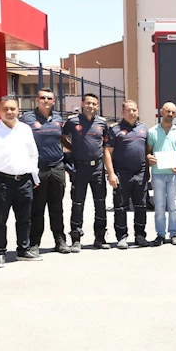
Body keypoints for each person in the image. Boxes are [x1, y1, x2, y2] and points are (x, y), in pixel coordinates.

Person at [0, 96, 41, 267]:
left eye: (13, 109)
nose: (9, 112)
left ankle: (23, 249)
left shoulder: (25, 129)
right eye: (5, 109)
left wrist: (34, 176)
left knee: (25, 218)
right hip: (1, 181)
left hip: (24, 180)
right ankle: (0, 253)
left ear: (18, 110)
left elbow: (33, 154)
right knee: (0, 219)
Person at [20, 87, 69, 255]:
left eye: (49, 98)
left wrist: (74, 150)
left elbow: (62, 138)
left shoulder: (58, 118)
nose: (46, 101)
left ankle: (60, 240)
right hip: (37, 169)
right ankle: (34, 244)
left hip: (57, 167)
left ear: (54, 101)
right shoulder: (26, 119)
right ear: (37, 100)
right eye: (42, 98)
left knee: (57, 207)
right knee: (37, 208)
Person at [61, 93, 110, 252]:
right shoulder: (73, 121)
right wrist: (72, 149)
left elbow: (107, 144)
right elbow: (62, 137)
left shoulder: (102, 123)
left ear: (97, 106)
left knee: (100, 203)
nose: (91, 106)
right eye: (88, 103)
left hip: (97, 168)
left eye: (94, 104)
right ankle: (76, 239)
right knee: (77, 204)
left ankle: (100, 237)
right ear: (82, 104)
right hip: (79, 168)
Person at [105, 100, 150, 249]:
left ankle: (140, 236)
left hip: (140, 173)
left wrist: (148, 168)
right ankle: (122, 237)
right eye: (129, 110)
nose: (132, 113)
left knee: (141, 206)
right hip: (121, 174)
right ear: (122, 112)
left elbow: (147, 150)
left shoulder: (143, 128)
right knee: (120, 207)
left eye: (134, 110)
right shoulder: (115, 129)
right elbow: (107, 152)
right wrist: (111, 173)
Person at [146, 102, 176, 246]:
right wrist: (149, 157)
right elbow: (148, 151)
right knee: (159, 206)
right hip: (158, 174)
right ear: (161, 112)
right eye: (168, 111)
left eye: (173, 112)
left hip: (173, 174)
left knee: (173, 205)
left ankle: (174, 233)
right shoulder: (152, 131)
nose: (170, 114)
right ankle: (160, 234)